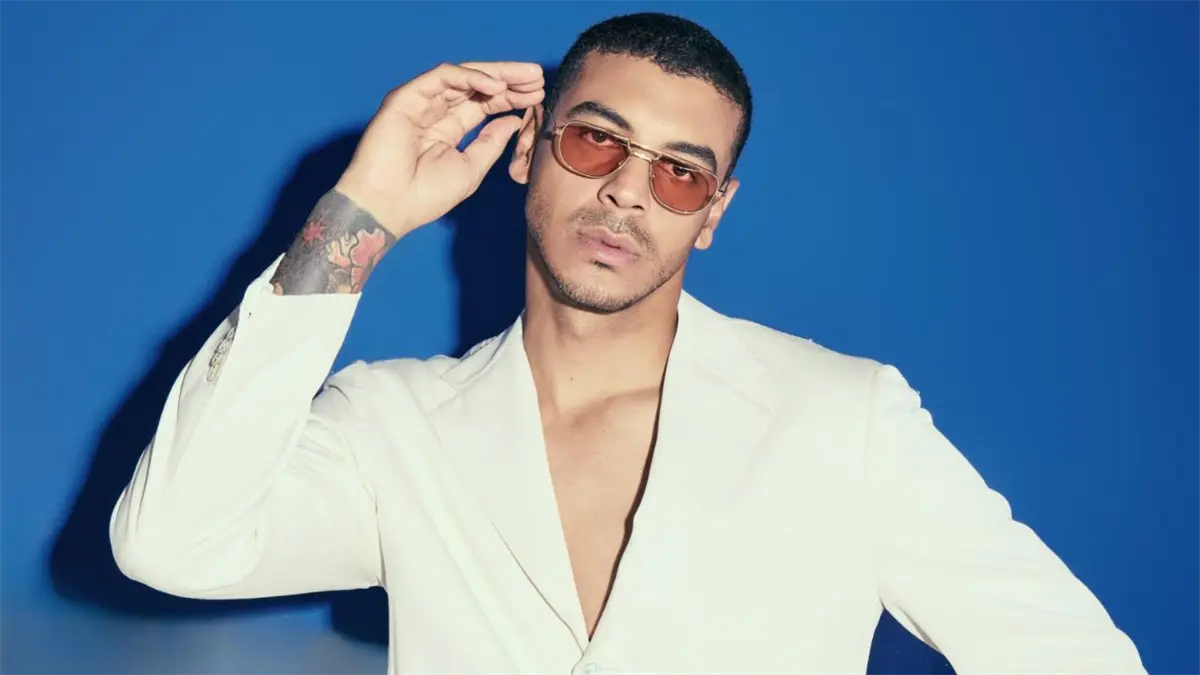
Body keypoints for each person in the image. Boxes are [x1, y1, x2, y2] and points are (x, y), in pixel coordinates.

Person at [108, 11, 1146, 675]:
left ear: (714, 211)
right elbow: (171, 544)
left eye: (680, 172)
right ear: (531, 146)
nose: (626, 192)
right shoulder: (395, 424)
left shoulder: (844, 416)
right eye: (596, 139)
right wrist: (360, 213)